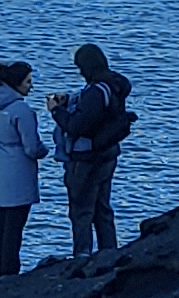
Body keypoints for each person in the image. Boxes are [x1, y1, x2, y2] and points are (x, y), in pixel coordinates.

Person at [52, 41, 134, 262]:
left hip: (86, 157)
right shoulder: (114, 86)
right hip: (108, 153)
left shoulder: (96, 91)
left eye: (80, 67)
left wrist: (57, 111)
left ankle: (82, 255)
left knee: (81, 210)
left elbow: (76, 126)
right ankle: (110, 252)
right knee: (102, 208)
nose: (80, 72)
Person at [0, 59, 46, 281]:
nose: (31, 86)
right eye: (28, 82)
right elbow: (32, 147)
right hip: (19, 171)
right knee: (14, 228)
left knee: (1, 225)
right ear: (17, 83)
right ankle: (8, 274)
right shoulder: (21, 110)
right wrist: (46, 150)